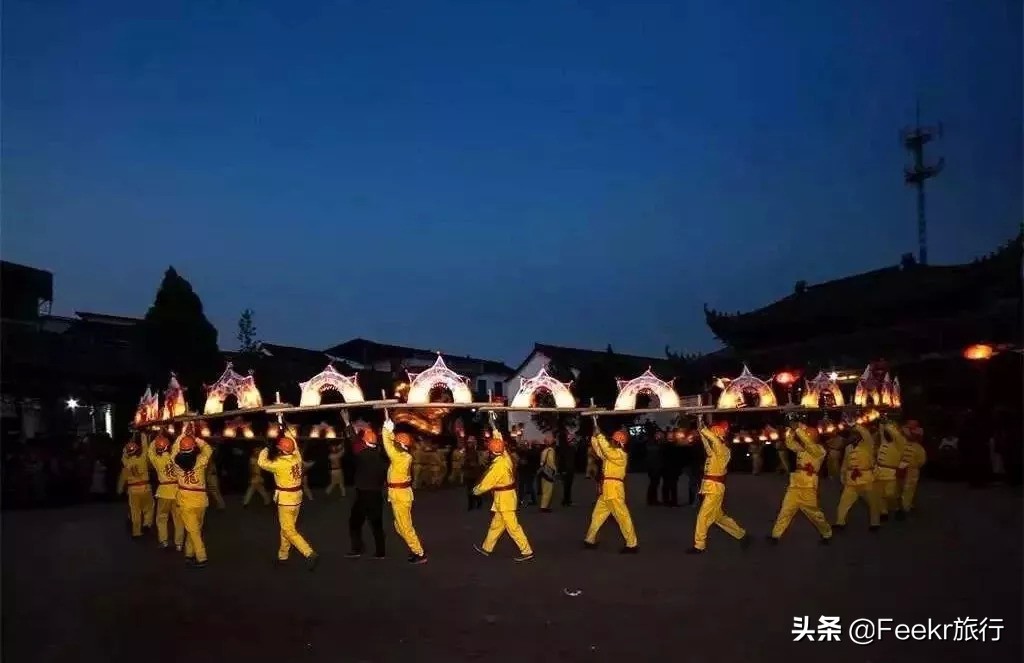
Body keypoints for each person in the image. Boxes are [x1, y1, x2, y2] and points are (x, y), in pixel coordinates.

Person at [472, 421, 534, 561]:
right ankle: (487, 547)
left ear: (491, 451)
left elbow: (486, 484)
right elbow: (500, 443)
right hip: (506, 497)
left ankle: (527, 551)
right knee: (496, 525)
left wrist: (475, 491)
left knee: (513, 527)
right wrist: (494, 427)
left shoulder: (498, 466)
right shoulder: (505, 457)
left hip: (504, 499)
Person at [687, 420, 749, 554]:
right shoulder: (716, 451)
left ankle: (699, 545)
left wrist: (704, 430)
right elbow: (708, 445)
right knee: (718, 517)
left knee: (703, 517)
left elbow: (713, 442)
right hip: (712, 488)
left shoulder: (723, 450)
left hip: (715, 489)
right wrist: (701, 430)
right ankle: (742, 534)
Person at [258, 435, 319, 570]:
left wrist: (266, 449)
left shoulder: (279, 463)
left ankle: (308, 552)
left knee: (288, 530)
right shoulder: (297, 456)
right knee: (287, 528)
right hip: (297, 497)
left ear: (282, 450)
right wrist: (283, 426)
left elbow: (261, 463)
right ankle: (283, 555)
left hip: (286, 499)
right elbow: (295, 446)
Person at [767, 423, 832, 544]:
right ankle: (775, 536)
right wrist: (790, 431)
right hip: (795, 485)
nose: (805, 435)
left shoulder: (820, 450)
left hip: (808, 487)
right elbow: (790, 443)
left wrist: (798, 429)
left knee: (815, 515)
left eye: (808, 434)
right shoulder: (802, 449)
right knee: (785, 511)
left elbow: (810, 445)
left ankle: (827, 533)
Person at [583, 423, 639, 553]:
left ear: (619, 443)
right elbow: (600, 449)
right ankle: (589, 539)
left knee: (622, 517)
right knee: (597, 515)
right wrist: (594, 436)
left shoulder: (620, 455)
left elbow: (606, 450)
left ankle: (632, 544)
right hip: (607, 489)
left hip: (614, 489)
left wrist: (599, 435)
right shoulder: (612, 454)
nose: (611, 442)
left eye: (613, 440)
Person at [381, 414, 428, 564]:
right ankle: (415, 547)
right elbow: (393, 444)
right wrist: (390, 432)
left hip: (400, 496)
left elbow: (389, 447)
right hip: (399, 495)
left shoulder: (401, 457)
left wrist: (385, 430)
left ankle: (419, 553)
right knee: (399, 526)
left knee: (405, 527)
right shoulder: (402, 454)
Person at [171, 430, 214, 567]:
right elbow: (208, 449)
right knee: (195, 529)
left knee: (193, 530)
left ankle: (201, 557)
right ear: (193, 448)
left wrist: (182, 435)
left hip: (185, 499)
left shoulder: (175, 462)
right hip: (201, 499)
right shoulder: (201, 460)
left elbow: (174, 449)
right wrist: (195, 438)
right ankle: (189, 554)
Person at [346, 424, 387, 559]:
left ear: (364, 440)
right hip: (376, 494)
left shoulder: (362, 453)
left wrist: (348, 424)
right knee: (377, 525)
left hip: (364, 494)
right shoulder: (382, 453)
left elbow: (353, 440)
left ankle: (357, 549)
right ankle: (380, 552)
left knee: (355, 523)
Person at [834, 424, 881, 531]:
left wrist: (856, 425)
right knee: (844, 502)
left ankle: (875, 523)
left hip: (866, 478)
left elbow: (867, 435)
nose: (853, 437)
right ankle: (840, 522)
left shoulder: (868, 445)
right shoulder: (848, 448)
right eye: (852, 434)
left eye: (856, 434)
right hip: (852, 479)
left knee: (873, 502)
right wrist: (843, 475)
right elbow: (845, 463)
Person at [148, 433, 184, 551]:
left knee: (161, 517)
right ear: (168, 447)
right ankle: (179, 544)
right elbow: (178, 446)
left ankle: (163, 541)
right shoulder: (175, 457)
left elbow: (150, 452)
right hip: (177, 491)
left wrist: (156, 439)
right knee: (178, 519)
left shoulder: (157, 460)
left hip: (164, 492)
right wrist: (181, 435)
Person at [117, 435, 154, 538]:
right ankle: (147, 523)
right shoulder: (142, 459)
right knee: (149, 508)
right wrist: (142, 435)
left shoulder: (126, 463)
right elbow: (146, 447)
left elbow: (123, 457)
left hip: (132, 490)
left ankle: (136, 532)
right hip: (146, 488)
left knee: (135, 512)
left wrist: (119, 490)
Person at [874, 419, 907, 520]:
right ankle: (883, 512)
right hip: (879, 471)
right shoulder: (884, 442)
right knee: (880, 494)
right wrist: (882, 425)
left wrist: (888, 426)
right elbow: (882, 433)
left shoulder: (900, 444)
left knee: (890, 494)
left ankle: (897, 508)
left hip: (891, 472)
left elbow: (896, 435)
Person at [898, 420, 927, 517]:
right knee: (909, 488)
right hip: (911, 470)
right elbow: (921, 461)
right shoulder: (918, 448)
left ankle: (902, 505)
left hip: (902, 468)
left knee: (902, 487)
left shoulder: (901, 445)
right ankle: (905, 506)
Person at [463, 435, 485, 511]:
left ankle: (478, 501)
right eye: (468, 443)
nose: (469, 444)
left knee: (474, 490)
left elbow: (479, 463)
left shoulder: (476, 452)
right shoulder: (466, 452)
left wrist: (473, 465)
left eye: (470, 443)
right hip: (468, 473)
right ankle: (471, 505)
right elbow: (465, 462)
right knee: (469, 490)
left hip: (474, 474)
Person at [661, 430, 682, 507]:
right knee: (667, 485)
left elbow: (679, 458)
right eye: (669, 435)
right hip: (667, 468)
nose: (671, 436)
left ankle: (673, 501)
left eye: (671, 435)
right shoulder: (664, 445)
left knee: (673, 485)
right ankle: (667, 501)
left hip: (673, 468)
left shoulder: (676, 445)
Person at [538, 433, 558, 512]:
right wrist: (555, 469)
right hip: (548, 472)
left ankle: (544, 505)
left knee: (544, 489)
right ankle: (544, 506)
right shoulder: (551, 450)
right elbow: (550, 462)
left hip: (543, 472)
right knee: (548, 490)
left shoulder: (544, 450)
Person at [557, 429, 577, 507]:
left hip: (568, 469)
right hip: (568, 469)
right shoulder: (567, 449)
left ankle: (567, 500)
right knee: (567, 485)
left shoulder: (564, 448)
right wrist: (563, 469)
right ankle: (566, 500)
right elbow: (563, 460)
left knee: (567, 485)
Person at [645, 430, 663, 506]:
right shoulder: (653, 444)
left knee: (654, 484)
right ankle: (651, 500)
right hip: (653, 467)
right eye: (659, 434)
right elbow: (654, 455)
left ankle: (652, 500)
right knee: (653, 484)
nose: (660, 436)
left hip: (654, 467)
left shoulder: (654, 443)